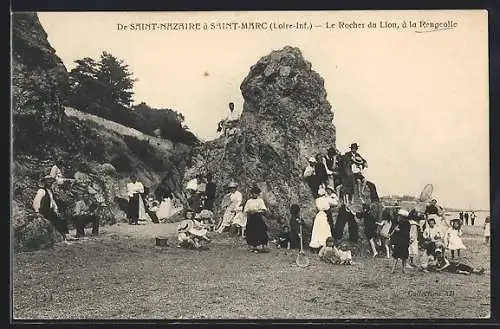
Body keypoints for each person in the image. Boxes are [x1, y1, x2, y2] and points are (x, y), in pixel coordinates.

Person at [33, 175, 74, 241]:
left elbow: (53, 202)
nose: (50, 182)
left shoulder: (50, 191)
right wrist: (37, 211)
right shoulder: (41, 190)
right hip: (44, 211)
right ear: (45, 182)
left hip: (50, 211)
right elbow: (36, 201)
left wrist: (56, 210)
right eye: (48, 181)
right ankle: (63, 236)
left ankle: (66, 235)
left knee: (62, 220)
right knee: (57, 221)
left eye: (51, 181)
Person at [243, 185, 270, 253]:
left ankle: (264, 246)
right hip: (251, 218)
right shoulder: (249, 201)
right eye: (253, 193)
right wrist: (250, 211)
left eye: (256, 193)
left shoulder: (260, 201)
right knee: (250, 231)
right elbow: (245, 210)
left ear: (258, 194)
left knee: (261, 230)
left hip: (258, 217)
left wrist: (257, 211)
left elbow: (263, 209)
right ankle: (253, 246)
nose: (254, 195)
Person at [390, 209, 411, 274]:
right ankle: (393, 268)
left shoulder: (407, 223)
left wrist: (399, 230)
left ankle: (403, 269)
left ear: (403, 217)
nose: (398, 217)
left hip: (404, 241)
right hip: (398, 242)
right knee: (396, 255)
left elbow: (406, 232)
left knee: (404, 256)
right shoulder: (397, 222)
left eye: (400, 216)